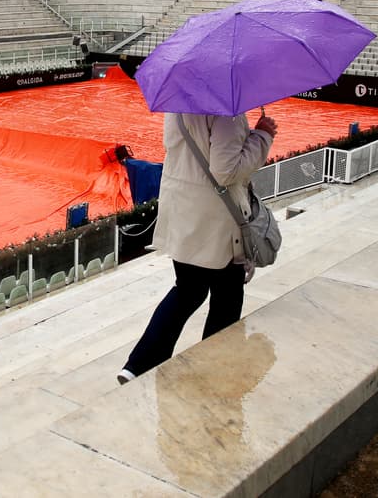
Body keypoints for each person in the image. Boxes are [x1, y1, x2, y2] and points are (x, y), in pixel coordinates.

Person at [117, 108, 278, 383]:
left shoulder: (178, 105)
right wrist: (262, 136)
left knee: (187, 290)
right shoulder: (225, 113)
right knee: (227, 296)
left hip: (183, 213)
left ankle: (138, 365)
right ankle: (212, 368)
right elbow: (226, 171)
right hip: (216, 222)